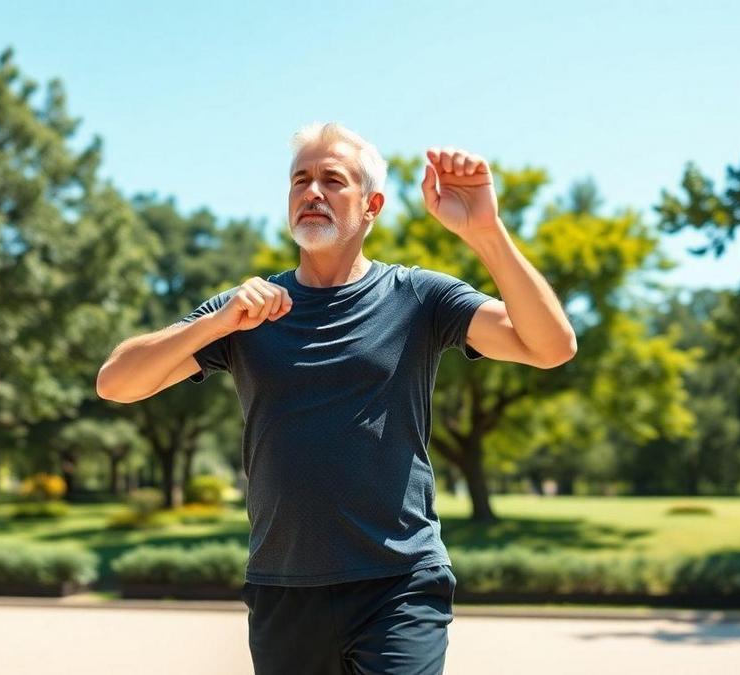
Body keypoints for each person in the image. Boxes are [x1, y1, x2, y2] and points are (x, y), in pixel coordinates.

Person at [97, 122, 576, 674]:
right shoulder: (249, 308)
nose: (312, 192)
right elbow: (117, 382)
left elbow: (551, 346)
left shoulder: (419, 297)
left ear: (371, 205)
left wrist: (487, 233)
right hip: (283, 588)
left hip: (399, 583)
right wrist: (217, 322)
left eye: (332, 180)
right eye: (300, 180)